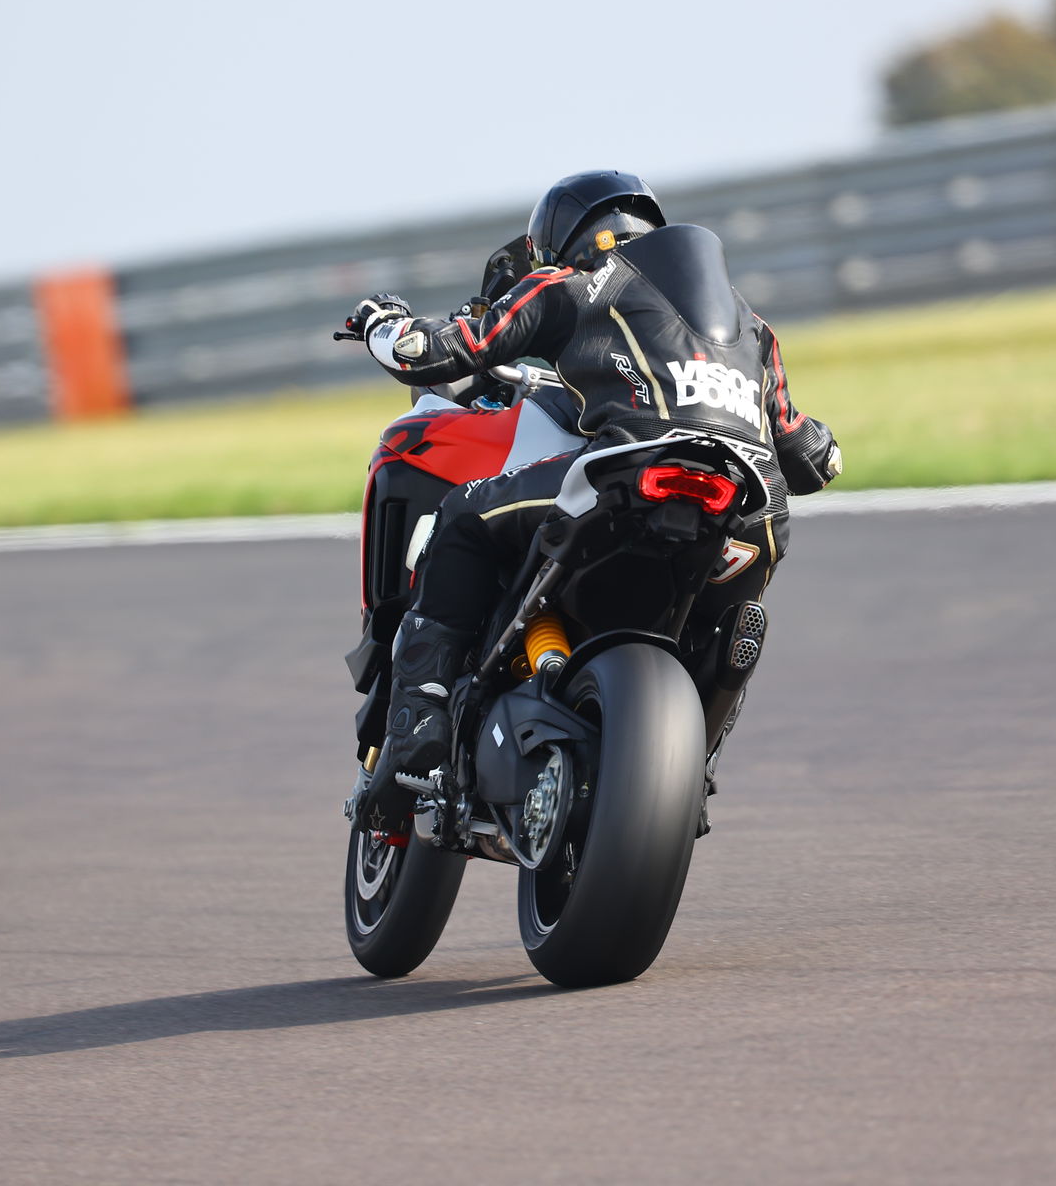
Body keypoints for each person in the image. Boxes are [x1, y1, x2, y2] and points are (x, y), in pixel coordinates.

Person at [350, 170, 841, 832]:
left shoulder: (575, 284)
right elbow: (811, 458)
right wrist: (821, 440)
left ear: (565, 241)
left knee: (464, 517)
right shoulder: (753, 330)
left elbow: (432, 352)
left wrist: (385, 323)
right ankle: (686, 773)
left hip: (626, 475)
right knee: (733, 623)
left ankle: (420, 721)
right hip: (753, 513)